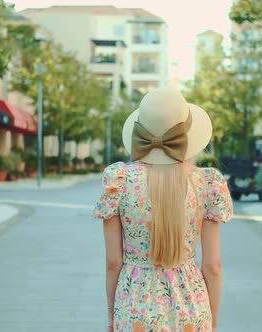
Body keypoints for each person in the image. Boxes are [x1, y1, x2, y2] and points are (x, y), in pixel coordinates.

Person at [93, 86, 233, 331]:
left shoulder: (119, 181)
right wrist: (213, 321)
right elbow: (212, 266)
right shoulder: (207, 183)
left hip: (134, 307)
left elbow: (113, 262)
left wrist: (112, 317)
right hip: (192, 308)